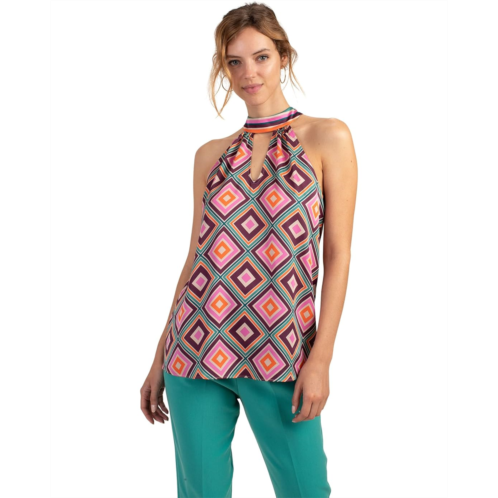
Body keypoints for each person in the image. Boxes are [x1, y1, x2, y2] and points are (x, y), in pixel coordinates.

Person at [140, 3, 358, 497]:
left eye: (260, 57)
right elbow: (197, 258)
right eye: (234, 62)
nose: (248, 73)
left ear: (283, 56)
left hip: (282, 350)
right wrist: (159, 356)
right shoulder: (209, 155)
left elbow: (338, 255)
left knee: (306, 490)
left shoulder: (328, 137)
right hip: (194, 347)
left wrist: (321, 358)